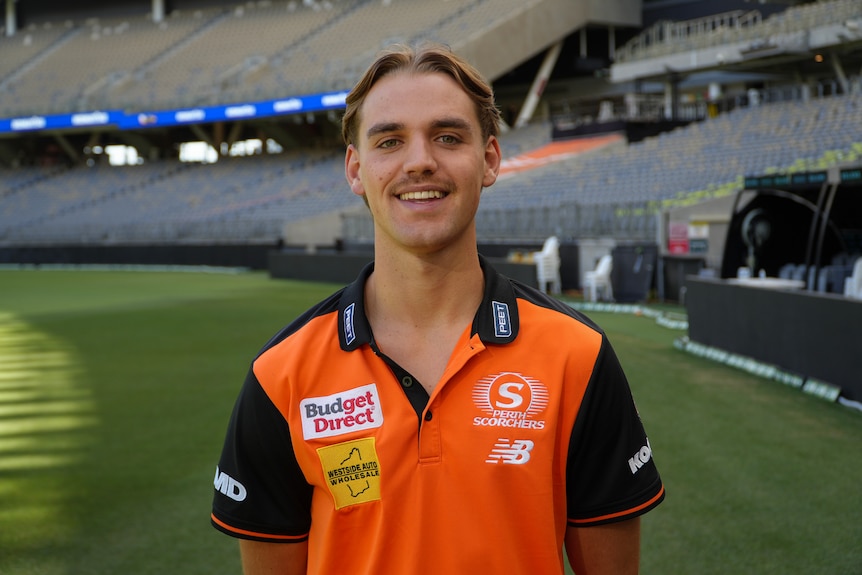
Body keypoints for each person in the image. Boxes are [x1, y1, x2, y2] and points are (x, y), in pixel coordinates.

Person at [211, 43, 664, 574]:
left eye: (448, 137)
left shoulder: (577, 357)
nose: (420, 160)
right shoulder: (281, 374)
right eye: (390, 140)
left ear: (490, 159)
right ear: (356, 170)